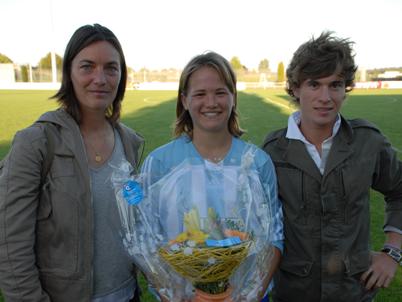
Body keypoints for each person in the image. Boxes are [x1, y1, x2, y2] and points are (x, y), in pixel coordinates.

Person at [0, 24, 144, 302]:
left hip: (127, 295)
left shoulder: (129, 143)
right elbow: (10, 243)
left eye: (111, 68)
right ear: (69, 73)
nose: (100, 78)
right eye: (87, 66)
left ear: (121, 76)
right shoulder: (37, 143)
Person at [262, 31, 402, 302]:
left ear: (345, 88)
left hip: (353, 292)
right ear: (294, 88)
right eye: (314, 84)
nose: (325, 97)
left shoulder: (368, 142)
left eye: (335, 85)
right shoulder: (272, 151)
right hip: (291, 294)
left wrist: (392, 252)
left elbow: (399, 190)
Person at [141, 51, 284, 301]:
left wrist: (251, 295)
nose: (211, 102)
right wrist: (172, 297)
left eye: (220, 92)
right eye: (199, 94)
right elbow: (146, 241)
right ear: (184, 100)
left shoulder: (257, 162)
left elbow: (275, 237)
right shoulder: (160, 163)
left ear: (233, 97)